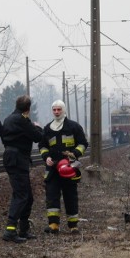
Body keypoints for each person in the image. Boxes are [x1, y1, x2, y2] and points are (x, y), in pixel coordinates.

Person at [39, 100, 88, 234]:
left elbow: (83, 143)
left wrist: (75, 154)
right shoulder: (48, 128)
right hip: (53, 169)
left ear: (64, 110)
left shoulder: (74, 127)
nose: (56, 112)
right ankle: (53, 225)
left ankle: (73, 225)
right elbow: (42, 146)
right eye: (54, 109)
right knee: (52, 195)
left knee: (70, 195)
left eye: (59, 109)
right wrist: (46, 157)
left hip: (69, 168)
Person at [1, 95, 43, 243]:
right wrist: (37, 127)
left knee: (27, 196)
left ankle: (24, 229)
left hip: (12, 158)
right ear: (28, 108)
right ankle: (10, 231)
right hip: (18, 159)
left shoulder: (8, 119)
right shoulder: (22, 120)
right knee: (21, 196)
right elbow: (37, 137)